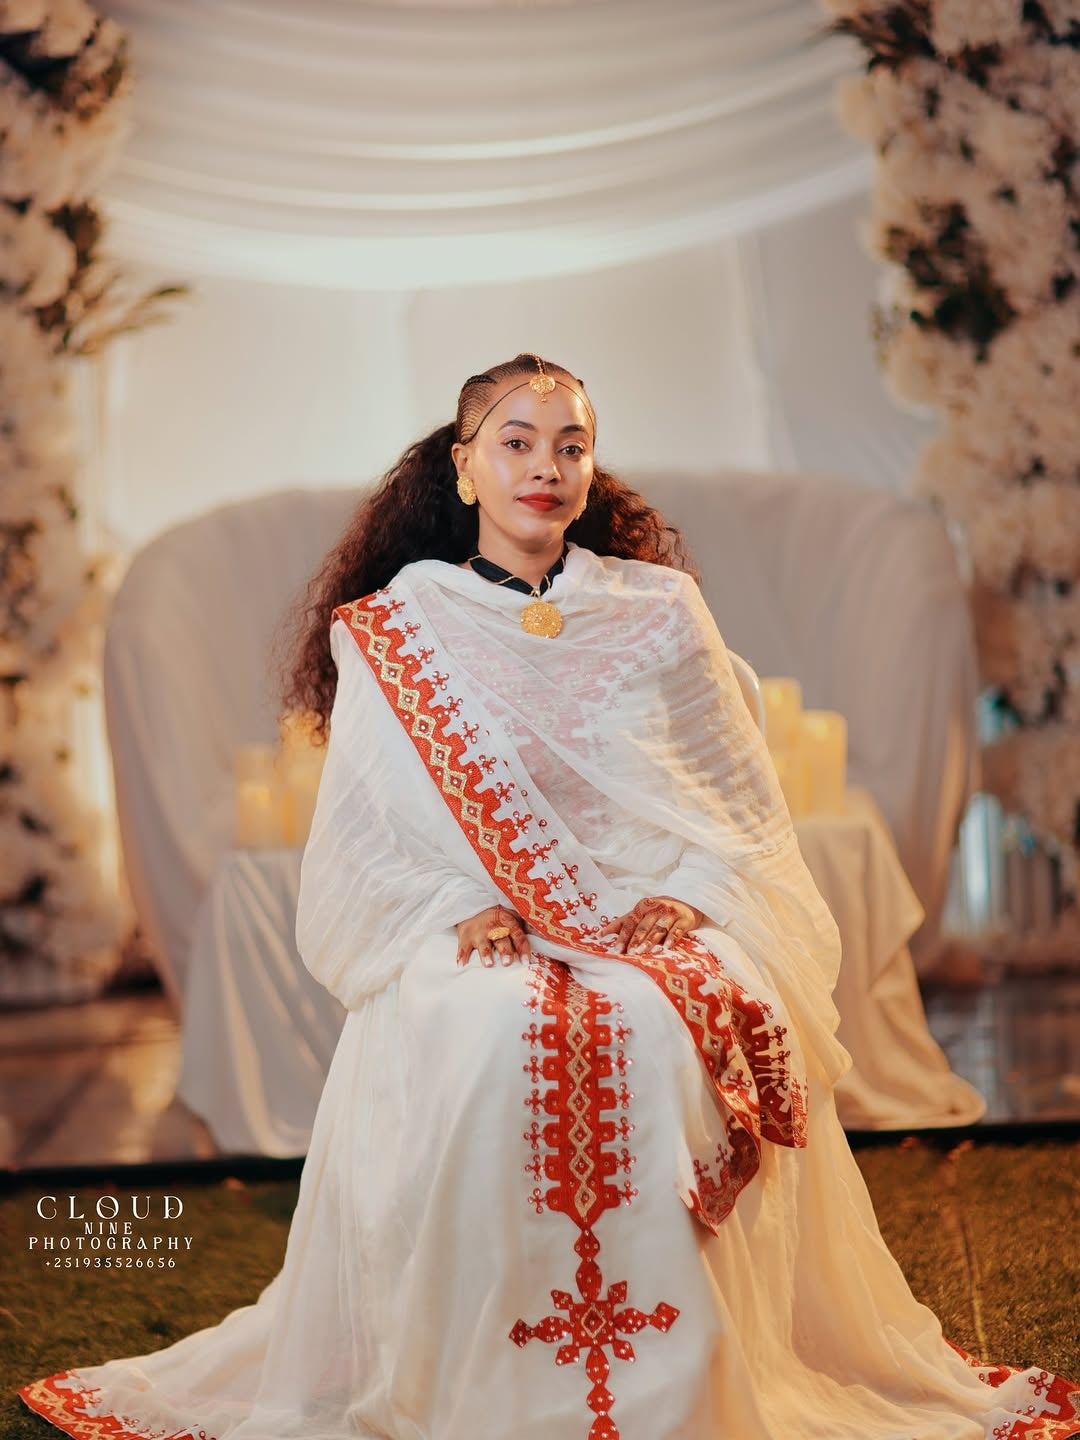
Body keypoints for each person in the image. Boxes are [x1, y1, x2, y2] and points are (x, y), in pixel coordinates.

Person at [19, 353, 1079, 1439]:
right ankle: (481, 1377)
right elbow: (365, 837)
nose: (546, 466)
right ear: (464, 468)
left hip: (646, 915)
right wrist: (451, 905)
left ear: (591, 466)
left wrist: (693, 896)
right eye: (516, 443)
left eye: (570, 444)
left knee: (662, 1019)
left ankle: (691, 1367)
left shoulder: (659, 609)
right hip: (469, 919)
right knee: (482, 1026)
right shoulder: (395, 629)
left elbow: (732, 803)